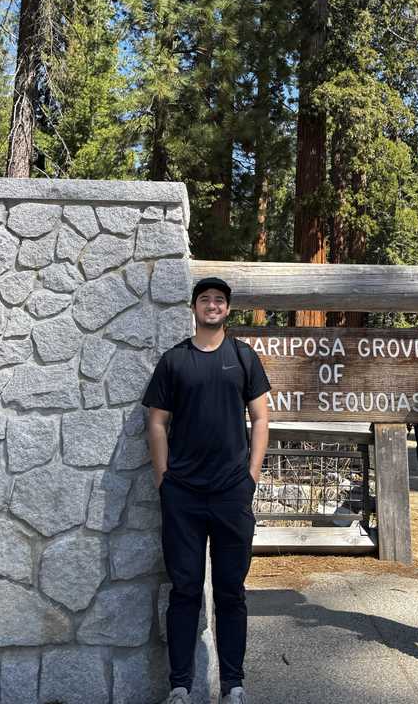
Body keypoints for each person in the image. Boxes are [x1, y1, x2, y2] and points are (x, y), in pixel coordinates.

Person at [143, 277, 271, 704]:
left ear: (227, 309)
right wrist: (163, 478)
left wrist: (251, 476)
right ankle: (179, 686)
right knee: (185, 591)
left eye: (219, 300)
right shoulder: (174, 360)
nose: (212, 305)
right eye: (205, 299)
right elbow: (156, 422)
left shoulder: (243, 356)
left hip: (232, 493)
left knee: (231, 592)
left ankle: (234, 684)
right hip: (182, 495)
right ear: (195, 308)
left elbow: (261, 419)